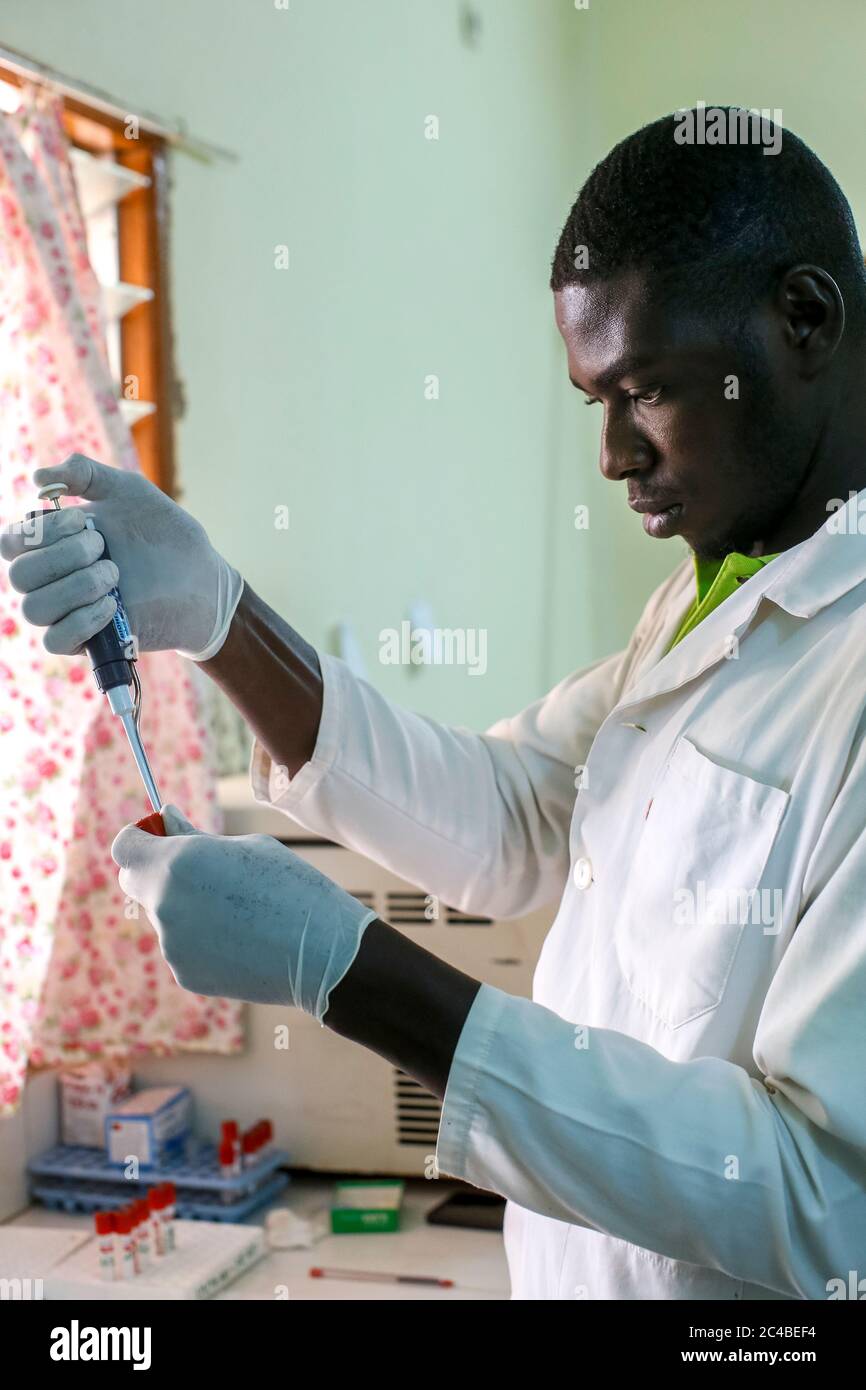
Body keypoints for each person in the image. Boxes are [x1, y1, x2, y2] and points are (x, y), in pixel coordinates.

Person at [4, 109, 866, 1301]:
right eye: (591, 401)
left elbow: (826, 1209)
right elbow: (515, 817)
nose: (611, 454)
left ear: (805, 320)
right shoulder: (710, 590)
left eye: (646, 389)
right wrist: (219, 616)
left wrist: (347, 971)